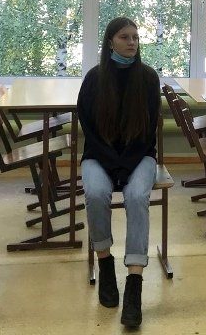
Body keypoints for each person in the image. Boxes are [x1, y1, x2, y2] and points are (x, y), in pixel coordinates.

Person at [77, 17, 161, 328]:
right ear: (110, 42)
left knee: (136, 196)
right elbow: (89, 129)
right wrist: (113, 163)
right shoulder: (95, 78)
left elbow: (147, 134)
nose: (132, 42)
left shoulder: (148, 78)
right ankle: (105, 264)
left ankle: (134, 286)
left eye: (136, 37)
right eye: (125, 37)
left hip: (139, 157)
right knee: (96, 193)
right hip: (99, 156)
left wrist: (126, 165)